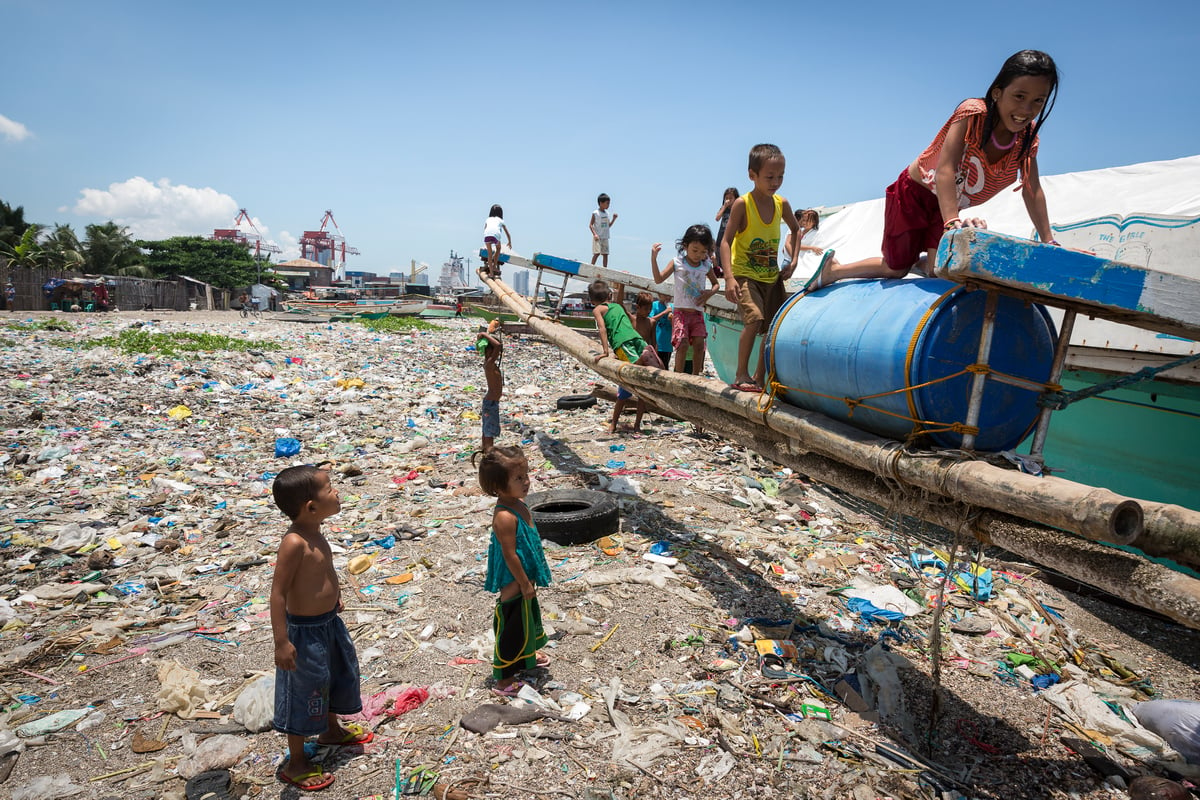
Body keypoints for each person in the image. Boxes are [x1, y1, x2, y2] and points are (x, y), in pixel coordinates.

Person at [807, 50, 1059, 291]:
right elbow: (946, 169)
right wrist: (951, 222)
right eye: (1019, 97)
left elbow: (1032, 189)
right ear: (997, 93)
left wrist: (1049, 241)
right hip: (915, 193)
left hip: (947, 203)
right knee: (896, 269)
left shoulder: (1027, 140)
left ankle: (923, 261)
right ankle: (834, 271)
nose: (1026, 110)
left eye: (1038, 101)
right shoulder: (973, 113)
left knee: (942, 269)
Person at [269, 465, 368, 792]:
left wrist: (335, 597)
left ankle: (331, 730)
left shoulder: (316, 531)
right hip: (304, 632)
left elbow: (323, 572)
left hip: (328, 623)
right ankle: (296, 761)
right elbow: (278, 593)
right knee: (304, 691)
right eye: (330, 488)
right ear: (311, 507)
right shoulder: (294, 542)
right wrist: (281, 642)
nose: (337, 492)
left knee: (335, 675)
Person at [719, 143, 803, 393]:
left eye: (780, 176)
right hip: (746, 274)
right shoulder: (743, 204)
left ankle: (759, 375)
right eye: (769, 177)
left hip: (771, 276)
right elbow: (725, 241)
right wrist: (729, 277)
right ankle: (741, 374)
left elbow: (797, 230)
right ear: (752, 175)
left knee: (772, 326)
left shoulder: (782, 204)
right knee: (754, 320)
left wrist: (794, 261)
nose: (775, 182)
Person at [477, 446, 552, 696]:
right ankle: (504, 679)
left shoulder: (519, 504)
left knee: (526, 619)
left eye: (526, 475)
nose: (526, 482)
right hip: (514, 581)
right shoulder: (505, 516)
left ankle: (526, 654)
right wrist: (524, 583)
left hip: (524, 577)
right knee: (512, 624)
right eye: (518, 478)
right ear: (498, 487)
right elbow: (510, 555)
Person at [589, 279, 664, 433]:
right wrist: (621, 285)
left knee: (623, 392)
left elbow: (602, 329)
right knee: (642, 390)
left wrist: (605, 351)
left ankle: (613, 424)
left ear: (591, 301)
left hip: (621, 342)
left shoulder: (598, 310)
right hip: (637, 338)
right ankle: (637, 426)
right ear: (609, 295)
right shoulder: (617, 306)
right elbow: (619, 300)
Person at [651, 224, 720, 376]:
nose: (698, 255)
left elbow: (716, 284)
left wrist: (708, 294)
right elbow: (658, 279)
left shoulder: (706, 266)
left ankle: (695, 377)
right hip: (681, 312)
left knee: (699, 344)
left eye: (703, 252)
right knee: (681, 344)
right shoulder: (677, 262)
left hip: (697, 313)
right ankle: (678, 376)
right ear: (685, 245)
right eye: (695, 250)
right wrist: (654, 259)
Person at [782, 209, 839, 291]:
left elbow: (801, 245)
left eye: (809, 220)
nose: (806, 222)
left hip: (801, 258)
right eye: (804, 220)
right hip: (793, 258)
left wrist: (810, 248)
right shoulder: (799, 231)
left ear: (814, 222)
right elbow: (793, 244)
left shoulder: (815, 233)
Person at [478, 320, 504, 453]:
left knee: (489, 428)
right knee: (489, 429)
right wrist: (484, 333)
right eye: (493, 352)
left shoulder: (492, 365)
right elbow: (498, 345)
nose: (496, 354)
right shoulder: (488, 364)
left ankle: (486, 450)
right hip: (490, 402)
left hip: (492, 402)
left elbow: (498, 347)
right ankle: (488, 452)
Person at [713, 187, 738, 277]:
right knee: (720, 265)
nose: (728, 200)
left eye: (731, 198)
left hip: (732, 241)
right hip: (720, 240)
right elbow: (717, 218)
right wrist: (724, 206)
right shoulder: (724, 209)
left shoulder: (738, 209)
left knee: (730, 264)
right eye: (726, 198)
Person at [589, 193, 618, 267]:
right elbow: (591, 225)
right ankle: (591, 266)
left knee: (605, 254)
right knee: (597, 253)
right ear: (601, 203)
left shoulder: (607, 213)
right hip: (598, 237)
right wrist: (594, 234)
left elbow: (608, 226)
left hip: (605, 237)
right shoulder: (595, 213)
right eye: (607, 203)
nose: (608, 205)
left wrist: (614, 219)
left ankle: (605, 269)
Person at [483, 205, 512, 278]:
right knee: (498, 249)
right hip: (496, 235)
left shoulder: (488, 219)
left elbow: (485, 229)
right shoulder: (500, 220)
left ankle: (491, 273)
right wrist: (509, 242)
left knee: (489, 254)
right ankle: (494, 266)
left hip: (486, 235)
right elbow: (507, 233)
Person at [649, 295, 673, 369]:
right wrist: (664, 312)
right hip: (655, 344)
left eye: (670, 295)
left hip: (667, 346)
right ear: (659, 294)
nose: (667, 297)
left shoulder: (672, 307)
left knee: (664, 368)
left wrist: (672, 319)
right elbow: (650, 320)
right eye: (665, 295)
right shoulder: (654, 305)